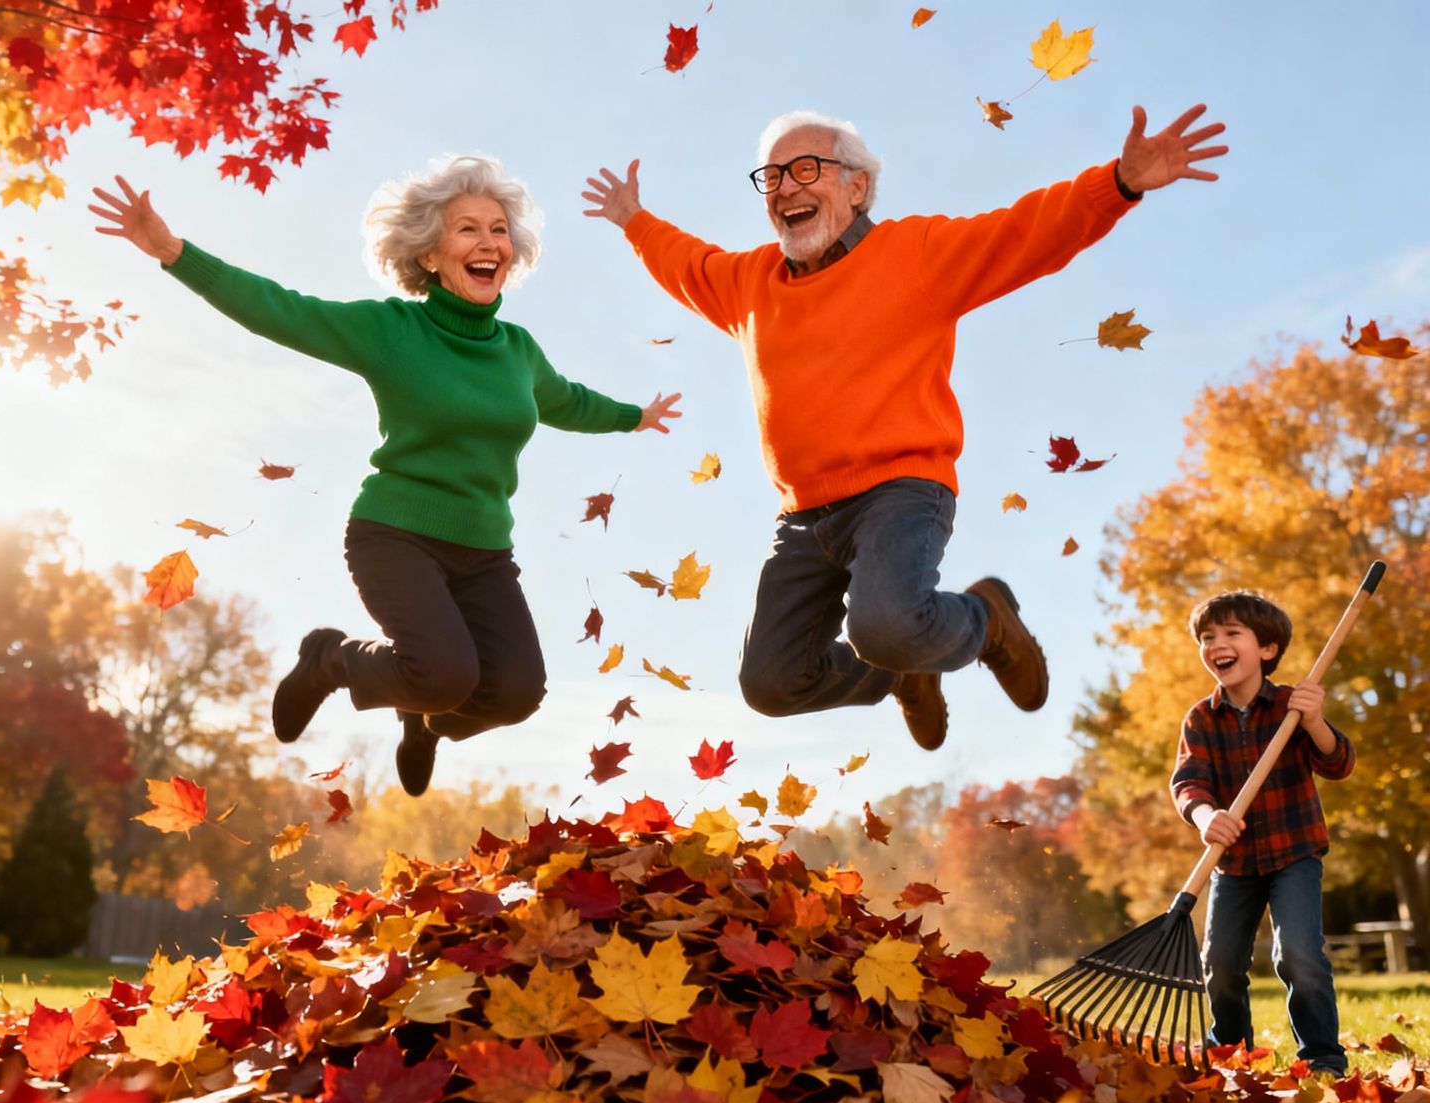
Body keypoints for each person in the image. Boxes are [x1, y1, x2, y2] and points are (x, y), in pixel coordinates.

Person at [582, 105, 1226, 750]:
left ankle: (988, 619)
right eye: (773, 177)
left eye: (806, 169)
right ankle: (900, 678)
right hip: (803, 515)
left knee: (888, 625)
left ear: (856, 186)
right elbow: (686, 262)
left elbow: (1022, 233)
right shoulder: (750, 282)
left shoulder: (914, 254)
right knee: (772, 682)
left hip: (899, 491)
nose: (786, 187)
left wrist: (1117, 183)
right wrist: (633, 221)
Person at [91, 158, 681, 796]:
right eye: (467, 231)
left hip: (484, 553)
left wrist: (634, 417)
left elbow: (566, 401)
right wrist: (175, 254)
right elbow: (279, 310)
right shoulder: (391, 331)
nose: (489, 243)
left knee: (514, 694)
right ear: (429, 255)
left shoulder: (519, 351)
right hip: (395, 535)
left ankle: (423, 723)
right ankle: (329, 660)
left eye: (499, 231)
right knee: (446, 673)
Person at [1170, 590, 1353, 1077]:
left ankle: (1322, 1058)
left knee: (1298, 954)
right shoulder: (1201, 718)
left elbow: (1338, 763)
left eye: (1232, 634)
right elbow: (1188, 782)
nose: (1217, 644)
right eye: (1208, 637)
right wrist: (1207, 816)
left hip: (1295, 852)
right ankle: (1231, 1053)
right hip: (1234, 863)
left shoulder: (1292, 705)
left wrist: (1315, 722)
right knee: (1222, 964)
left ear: (1267, 649)